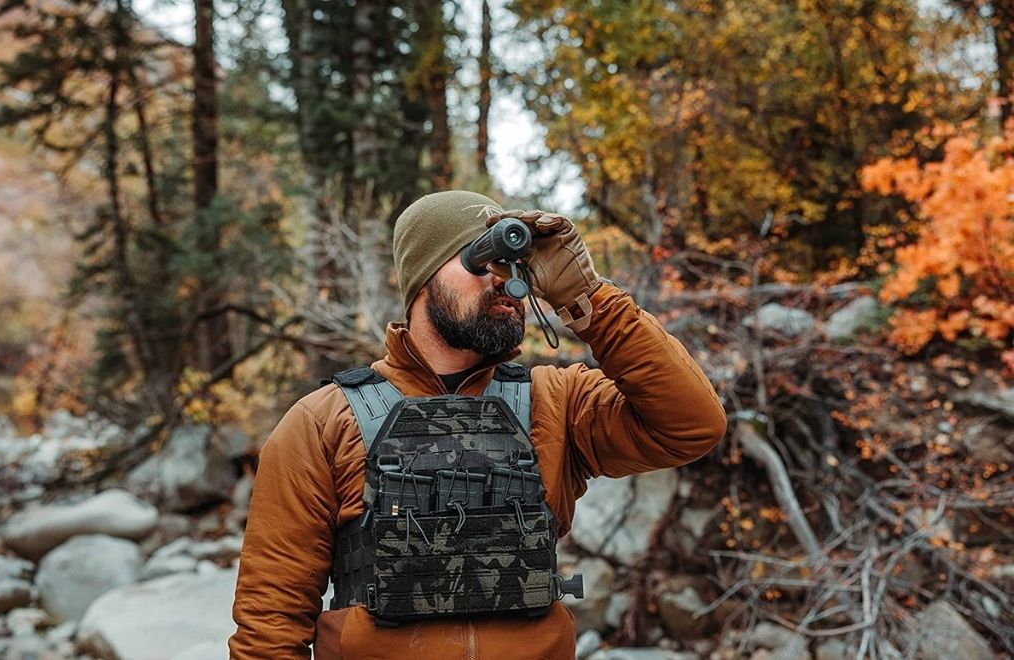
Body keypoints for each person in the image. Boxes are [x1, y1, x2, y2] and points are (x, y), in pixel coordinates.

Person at [228, 190, 727, 659]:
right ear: (424, 277)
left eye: (514, 265)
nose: (505, 279)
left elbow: (692, 424)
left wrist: (587, 298)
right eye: (481, 259)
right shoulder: (322, 422)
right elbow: (270, 627)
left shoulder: (556, 402)